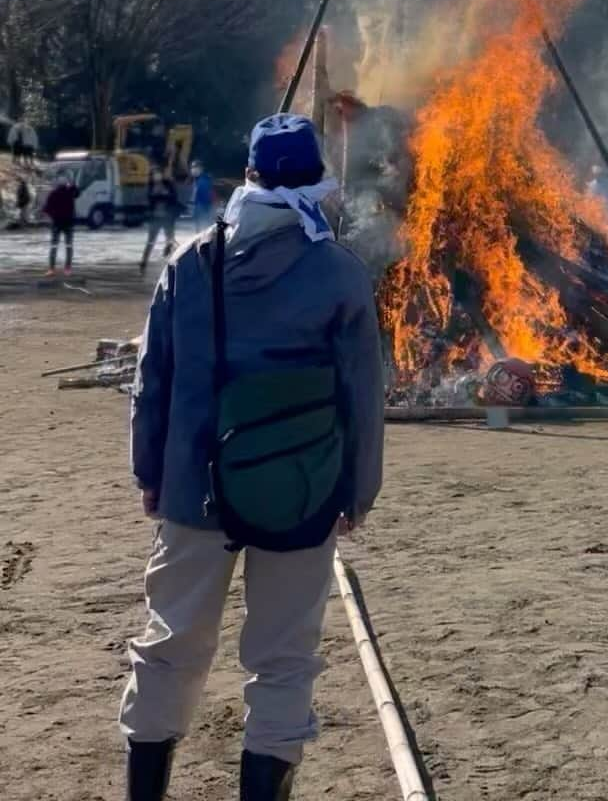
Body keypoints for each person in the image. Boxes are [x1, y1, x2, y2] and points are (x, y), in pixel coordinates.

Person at [121, 113, 384, 801]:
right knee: (284, 661)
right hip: (304, 490)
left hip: (192, 488)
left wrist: (151, 474)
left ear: (249, 178)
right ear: (317, 180)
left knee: (170, 645)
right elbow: (361, 398)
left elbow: (153, 381)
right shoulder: (338, 272)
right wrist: (358, 493)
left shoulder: (190, 263)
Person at [141, 168, 181, 275]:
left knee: (170, 241)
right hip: (155, 219)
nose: (156, 176)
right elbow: (149, 200)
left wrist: (162, 195)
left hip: (168, 219)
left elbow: (174, 199)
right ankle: (143, 264)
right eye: (154, 174)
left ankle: (174, 264)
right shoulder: (151, 186)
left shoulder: (168, 184)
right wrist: (160, 196)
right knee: (150, 242)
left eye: (158, 174)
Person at [43, 172, 77, 277]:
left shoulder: (53, 193)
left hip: (57, 223)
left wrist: (52, 217)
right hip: (68, 223)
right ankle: (67, 269)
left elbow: (46, 209)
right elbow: (78, 192)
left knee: (54, 246)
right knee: (69, 246)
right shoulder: (70, 192)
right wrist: (73, 183)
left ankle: (52, 269)